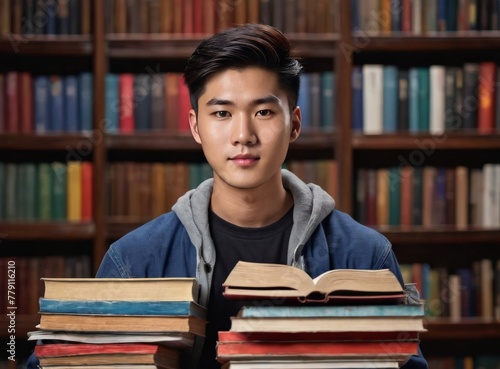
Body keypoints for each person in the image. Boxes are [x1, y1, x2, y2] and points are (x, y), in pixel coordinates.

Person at [28, 23, 428, 369]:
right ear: (195, 126)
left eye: (264, 112)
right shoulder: (134, 259)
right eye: (221, 113)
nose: (243, 135)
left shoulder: (364, 255)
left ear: (294, 124)